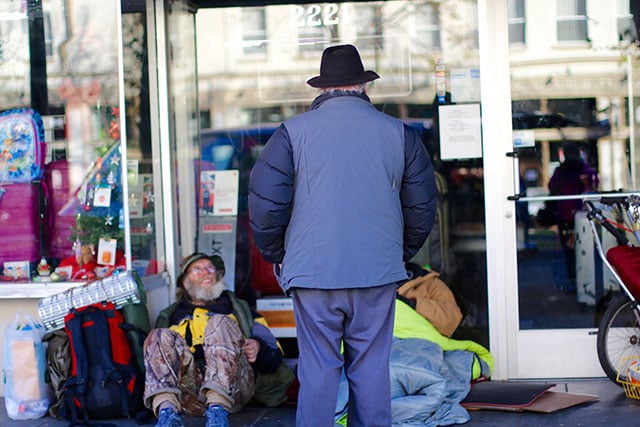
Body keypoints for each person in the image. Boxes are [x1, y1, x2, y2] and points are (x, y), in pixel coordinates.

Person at [248, 44, 438, 427]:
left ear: (321, 90)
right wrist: (397, 254)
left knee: (318, 369)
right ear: (364, 86)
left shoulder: (290, 134)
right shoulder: (399, 134)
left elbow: (267, 204)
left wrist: (277, 254)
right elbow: (421, 206)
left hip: (314, 274)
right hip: (376, 273)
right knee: (370, 368)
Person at [143, 252, 294, 427]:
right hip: (187, 396)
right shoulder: (171, 316)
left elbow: (275, 356)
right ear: (184, 282)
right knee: (158, 335)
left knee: (220, 322)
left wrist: (259, 348)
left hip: (234, 391)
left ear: (218, 276)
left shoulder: (241, 310)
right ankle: (167, 414)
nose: (205, 272)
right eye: (197, 269)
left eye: (210, 268)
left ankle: (217, 412)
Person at [548, 142, 599, 291]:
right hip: (583, 214)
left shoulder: (560, 172)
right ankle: (586, 283)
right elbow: (594, 187)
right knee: (586, 249)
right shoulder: (585, 170)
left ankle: (574, 281)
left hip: (565, 216)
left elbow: (552, 187)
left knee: (570, 252)